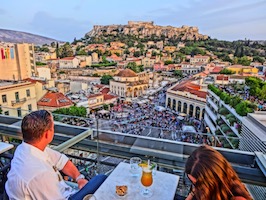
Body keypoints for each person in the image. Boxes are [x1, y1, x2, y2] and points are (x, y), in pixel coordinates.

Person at [5, 110, 107, 200]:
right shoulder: (40, 174)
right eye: (53, 127)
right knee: (102, 179)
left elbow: (62, 161)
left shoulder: (26, 148)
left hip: (60, 191)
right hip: (65, 196)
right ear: (47, 134)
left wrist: (79, 178)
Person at [185, 145, 252, 200]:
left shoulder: (237, 198)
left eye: (198, 184)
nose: (196, 188)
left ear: (212, 181)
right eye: (193, 183)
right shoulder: (206, 189)